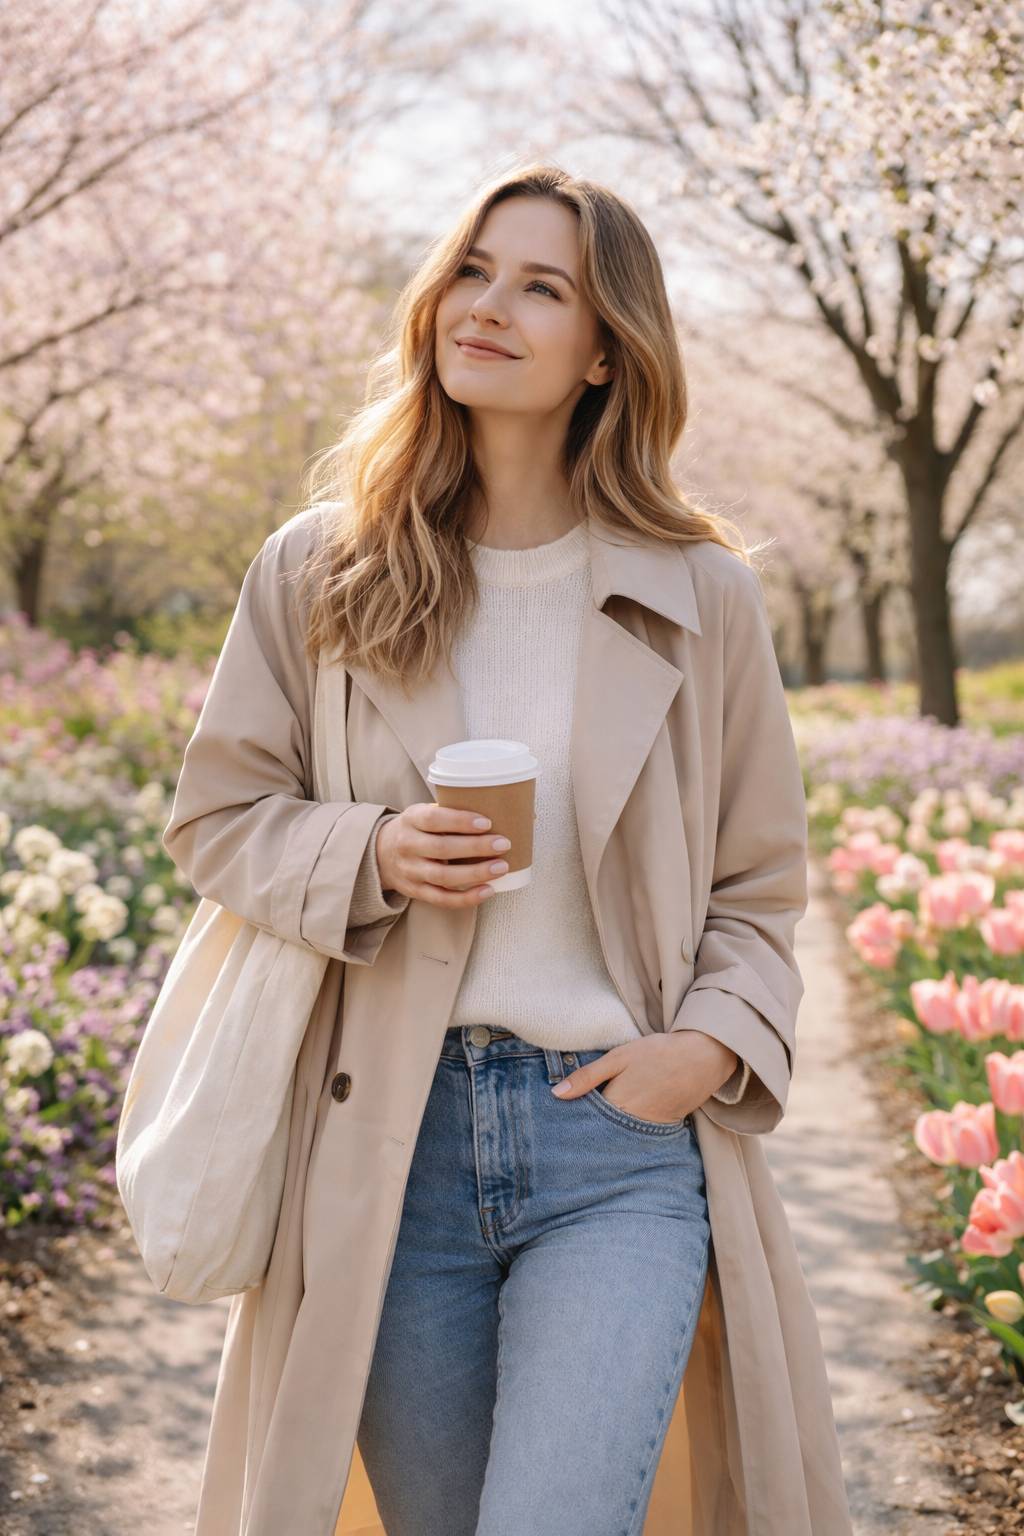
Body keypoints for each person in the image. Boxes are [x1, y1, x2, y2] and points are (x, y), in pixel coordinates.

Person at [163, 162, 852, 1536]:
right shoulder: (321, 568)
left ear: (607, 349)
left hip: (618, 1147)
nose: (488, 305)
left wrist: (705, 1050)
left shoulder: (702, 594)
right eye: (473, 270)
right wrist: (371, 854)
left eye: (542, 285)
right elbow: (216, 820)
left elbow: (762, 886)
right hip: (385, 1149)